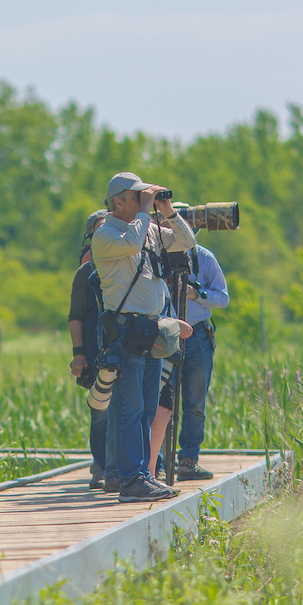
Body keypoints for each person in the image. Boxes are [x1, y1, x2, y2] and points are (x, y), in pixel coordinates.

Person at [91, 172, 196, 502]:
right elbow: (132, 243)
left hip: (152, 330)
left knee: (147, 408)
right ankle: (130, 480)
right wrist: (145, 210)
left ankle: (143, 476)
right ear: (117, 201)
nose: (143, 201)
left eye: (143, 196)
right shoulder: (105, 234)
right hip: (125, 331)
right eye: (136, 197)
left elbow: (187, 242)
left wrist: (168, 211)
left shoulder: (148, 228)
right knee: (129, 408)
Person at [147, 205, 230, 481]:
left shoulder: (203, 257)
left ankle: (188, 460)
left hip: (197, 334)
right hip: (165, 333)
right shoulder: (154, 255)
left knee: (194, 402)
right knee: (158, 401)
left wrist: (196, 293)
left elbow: (223, 297)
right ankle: (154, 464)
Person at [68, 210, 110, 489]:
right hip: (96, 350)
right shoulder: (86, 271)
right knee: (101, 409)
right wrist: (79, 354)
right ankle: (101, 465)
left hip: (128, 346)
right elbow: (76, 315)